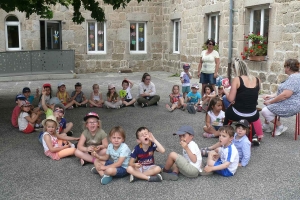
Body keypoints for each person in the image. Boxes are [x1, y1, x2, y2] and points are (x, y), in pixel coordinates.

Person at [223, 59, 263, 141]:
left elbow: (230, 99)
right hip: (253, 114)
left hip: (238, 114)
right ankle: (253, 135)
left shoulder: (237, 79)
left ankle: (224, 133)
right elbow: (251, 96)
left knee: (228, 111)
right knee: (246, 114)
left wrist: (225, 92)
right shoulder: (257, 79)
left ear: (236, 70)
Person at [261, 59, 300, 136]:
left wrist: (270, 101)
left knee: (265, 110)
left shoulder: (294, 79)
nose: (284, 69)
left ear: (288, 68)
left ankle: (280, 126)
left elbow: (285, 95)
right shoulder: (296, 76)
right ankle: (266, 126)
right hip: (290, 102)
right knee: (266, 102)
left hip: (291, 105)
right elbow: (284, 92)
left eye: (285, 67)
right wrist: (271, 96)